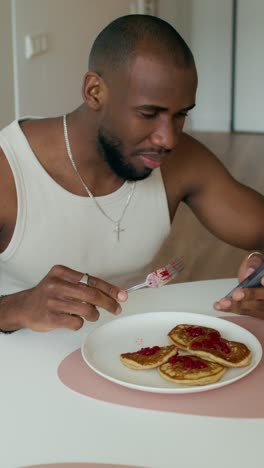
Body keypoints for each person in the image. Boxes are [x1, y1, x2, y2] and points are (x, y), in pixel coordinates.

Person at [0, 15, 263, 333]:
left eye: (180, 115)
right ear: (94, 91)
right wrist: (18, 306)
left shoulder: (181, 160)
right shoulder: (8, 171)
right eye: (148, 113)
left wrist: (258, 267)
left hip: (130, 351)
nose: (168, 139)